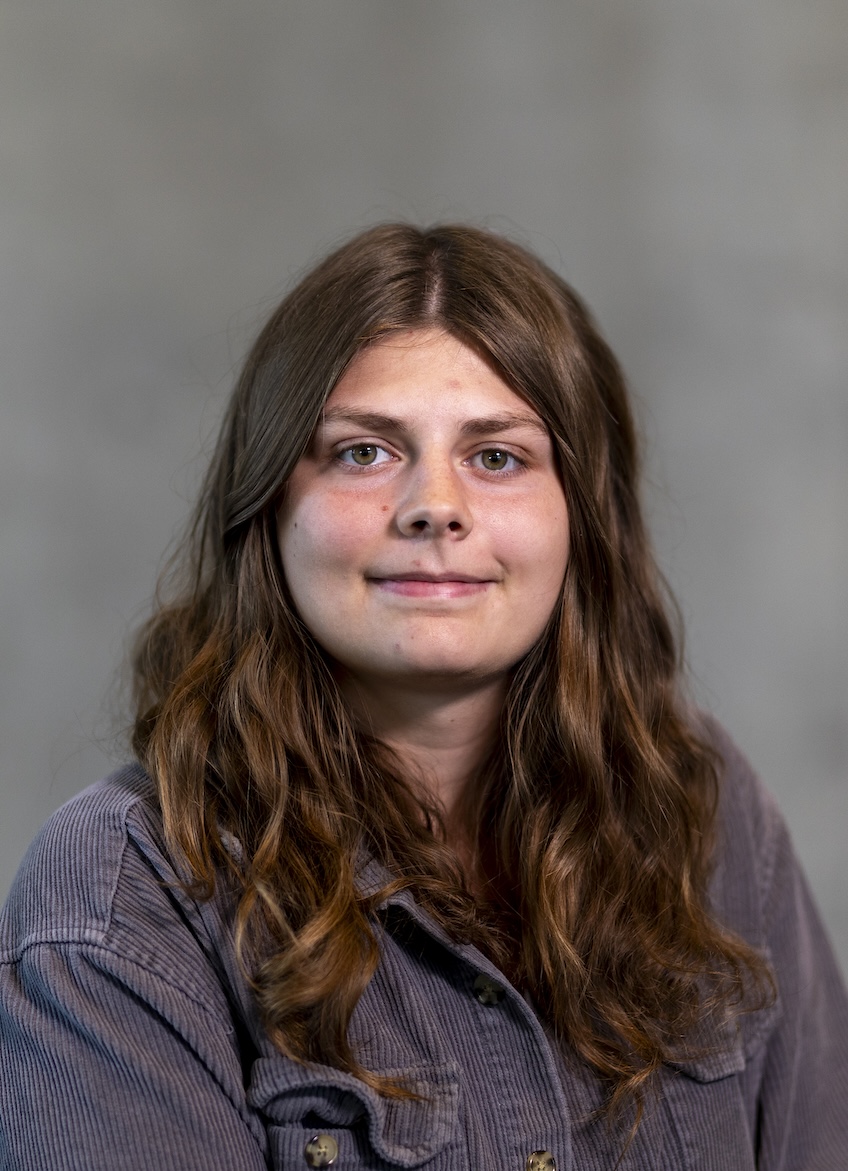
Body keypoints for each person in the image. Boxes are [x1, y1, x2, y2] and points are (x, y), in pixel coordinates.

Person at [1, 224, 846, 1170]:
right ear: (269, 504)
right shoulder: (121, 895)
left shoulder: (705, 809)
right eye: (363, 451)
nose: (434, 505)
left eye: (498, 457)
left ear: (581, 514)